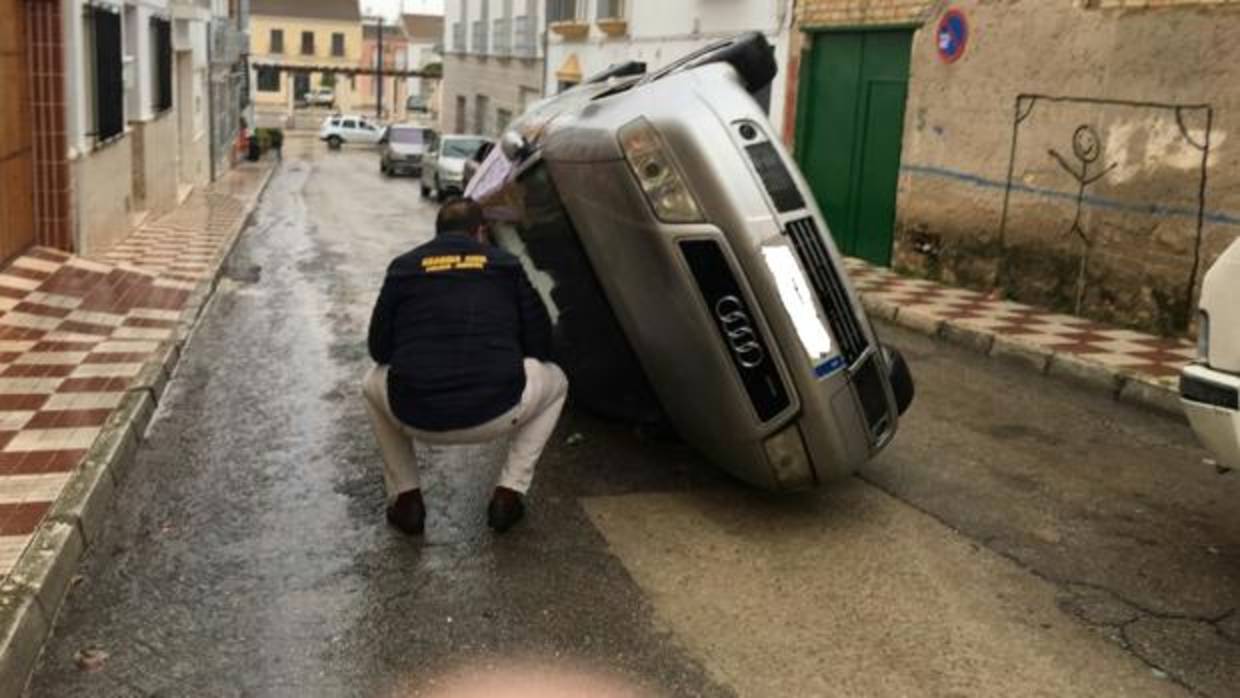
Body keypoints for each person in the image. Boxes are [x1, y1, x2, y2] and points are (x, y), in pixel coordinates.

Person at [362, 197, 568, 535]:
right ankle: (509, 493)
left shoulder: (404, 267)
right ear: (481, 232)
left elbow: (379, 350)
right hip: (499, 409)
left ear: (437, 232)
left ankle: (406, 499)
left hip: (415, 413)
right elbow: (541, 344)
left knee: (370, 384)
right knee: (558, 381)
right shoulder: (506, 265)